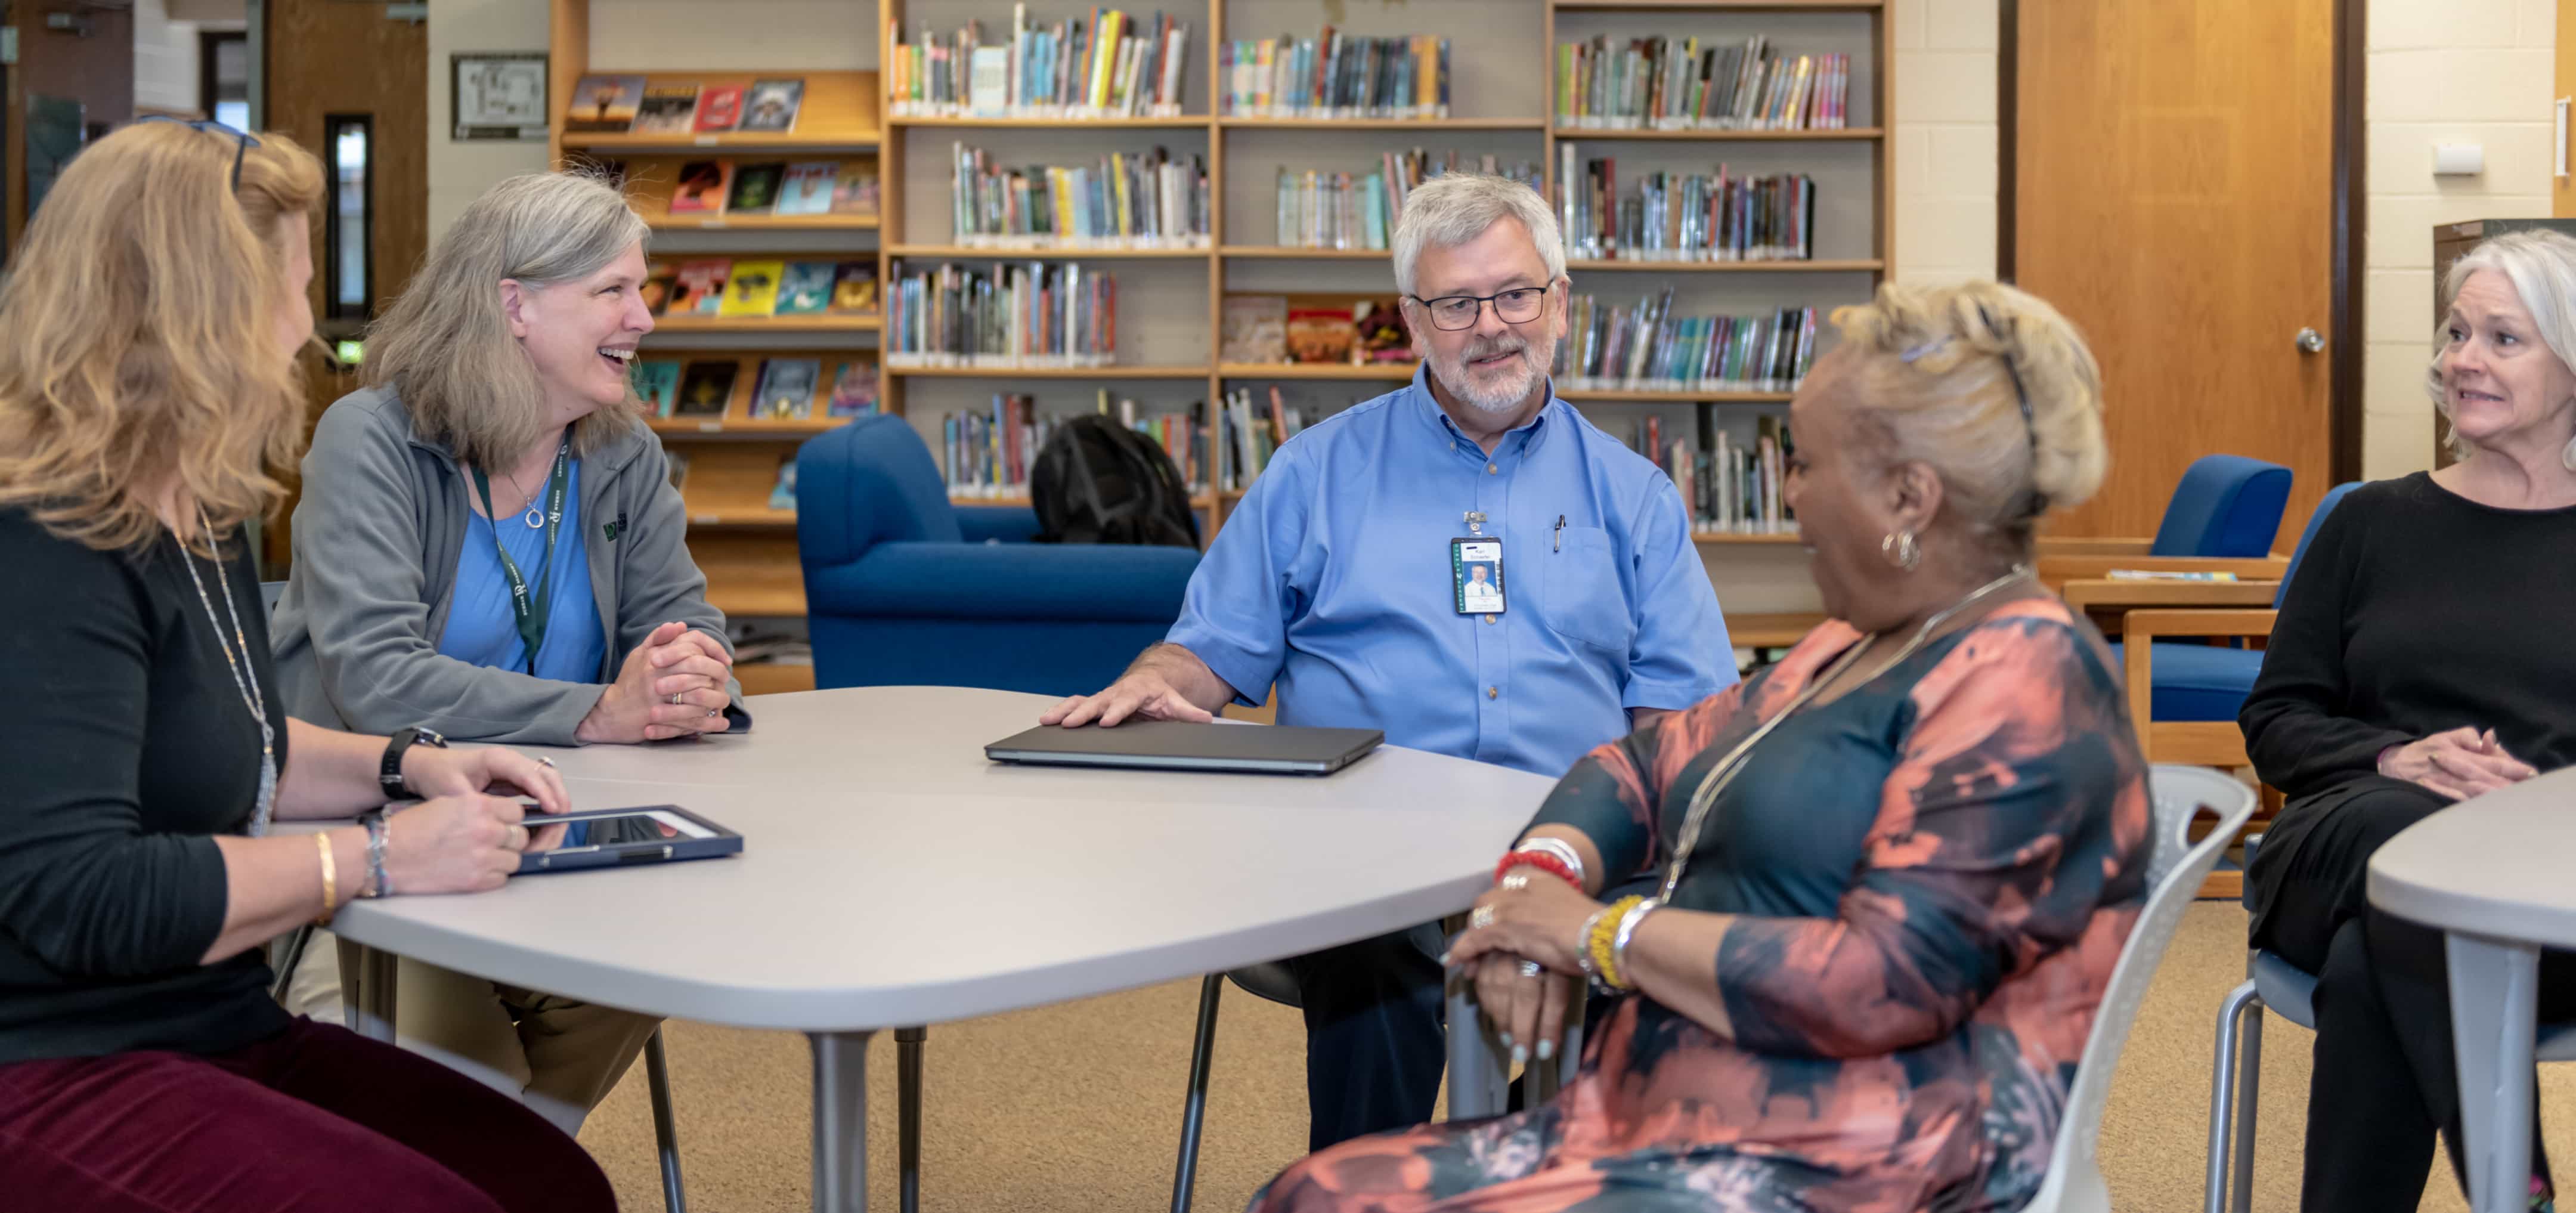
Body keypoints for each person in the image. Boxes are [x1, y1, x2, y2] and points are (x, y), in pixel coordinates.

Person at [1250, 279, 2150, 1212]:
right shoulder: (1855, 645)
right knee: (1314, 1191)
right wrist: (1537, 881)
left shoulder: (2027, 680)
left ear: (1908, 497)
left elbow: (1884, 982)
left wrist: (1595, 935)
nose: (1790, 493)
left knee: (1326, 1203)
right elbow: (1636, 769)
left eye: (1804, 464)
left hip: (1852, 1167)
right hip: (1673, 1127)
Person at [1046, 172, 1734, 1150]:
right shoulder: (1316, 472)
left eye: (1514, 294)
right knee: (1380, 969)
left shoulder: (1637, 497)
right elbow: (1208, 651)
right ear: (1413, 320)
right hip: (1361, 854)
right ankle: (1368, 1182)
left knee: (1606, 978)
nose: (1491, 325)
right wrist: (1159, 679)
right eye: (1457, 303)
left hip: (1572, 845)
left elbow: (1687, 719)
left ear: (1561, 303)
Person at [0, 119, 613, 1213]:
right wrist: (375, 856)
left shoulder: (201, 504)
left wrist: (414, 764)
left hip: (212, 1019)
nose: (306, 332)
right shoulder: (47, 542)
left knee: (553, 1185)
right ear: (199, 314)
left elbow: (243, 749)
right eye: (290, 288)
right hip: (53, 1061)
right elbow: (80, 892)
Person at [267, 170, 744, 1133]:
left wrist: (695, 666)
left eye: (641, 290)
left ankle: (511, 1165)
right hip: (383, 839)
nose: (645, 318)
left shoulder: (620, 453)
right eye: (613, 291)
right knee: (459, 1093)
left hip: (558, 833)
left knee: (669, 956)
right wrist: (595, 710)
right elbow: (377, 679)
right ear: (514, 305)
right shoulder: (372, 442)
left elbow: (686, 616)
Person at [2242, 229, 2576, 1213]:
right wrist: (2397, 753)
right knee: (2410, 846)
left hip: (2543, 898)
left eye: (2503, 338)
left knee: (2378, 961)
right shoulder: (2368, 522)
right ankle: (2521, 1193)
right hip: (2347, 836)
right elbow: (2276, 718)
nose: (2461, 358)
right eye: (2457, 330)